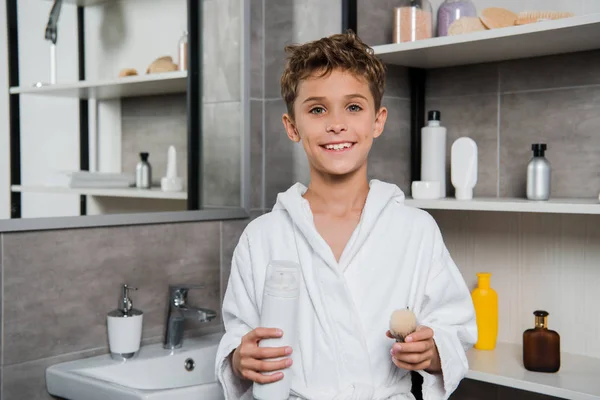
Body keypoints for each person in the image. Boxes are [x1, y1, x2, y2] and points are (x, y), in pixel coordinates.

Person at [215, 30, 477, 400]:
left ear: (377, 121)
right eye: (317, 109)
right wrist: (240, 358)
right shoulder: (263, 237)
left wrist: (432, 351)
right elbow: (238, 335)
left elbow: (454, 328)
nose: (336, 124)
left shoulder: (415, 230)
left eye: (353, 107)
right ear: (293, 126)